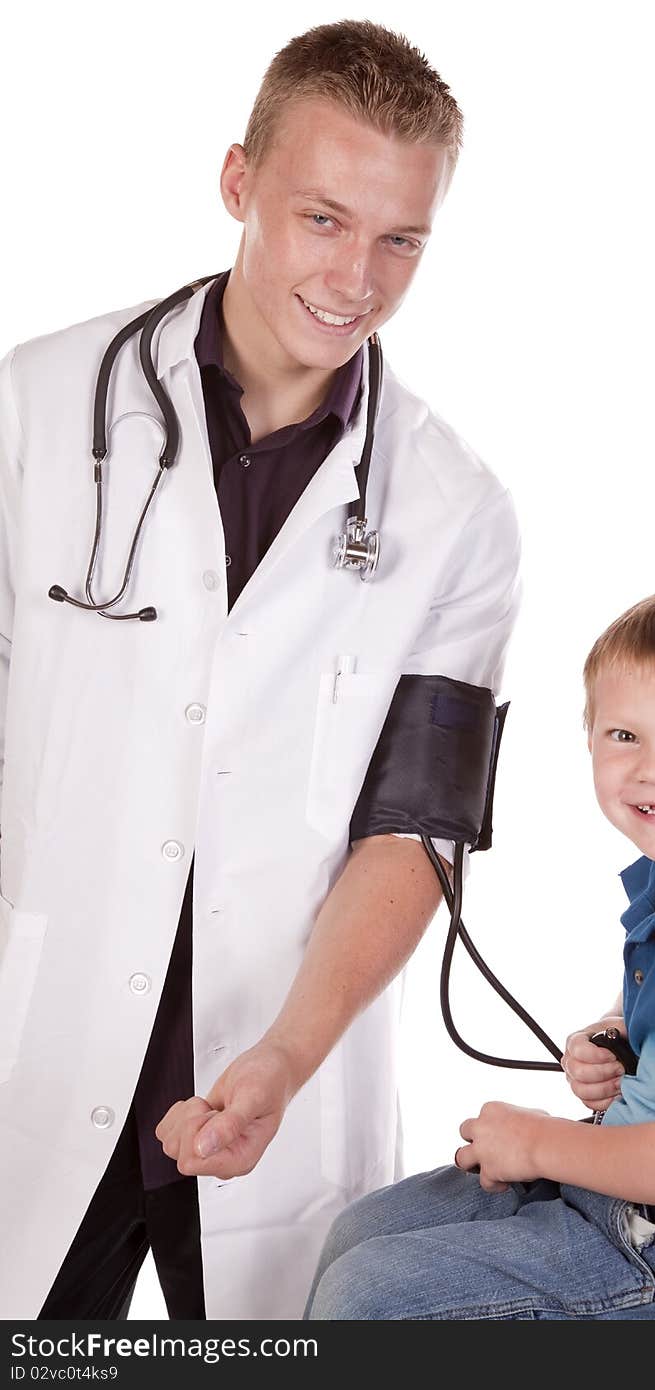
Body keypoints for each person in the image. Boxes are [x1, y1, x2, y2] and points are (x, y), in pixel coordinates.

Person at [0, 21, 520, 1320]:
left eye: (402, 238)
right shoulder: (35, 410)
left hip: (273, 1086)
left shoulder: (458, 513)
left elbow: (414, 835)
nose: (359, 275)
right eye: (324, 218)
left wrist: (288, 1057)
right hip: (40, 1049)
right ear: (239, 184)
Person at [305, 583, 655, 1321]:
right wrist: (617, 1035)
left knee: (369, 1295)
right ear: (589, 738)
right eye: (626, 736)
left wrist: (538, 1145)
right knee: (360, 1233)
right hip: (639, 1205)